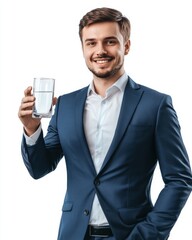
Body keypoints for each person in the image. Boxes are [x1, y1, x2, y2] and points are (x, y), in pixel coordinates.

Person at [18, 7, 192, 240]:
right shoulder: (66, 105)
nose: (100, 50)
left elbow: (179, 180)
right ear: (83, 49)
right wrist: (31, 128)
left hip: (130, 234)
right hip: (73, 234)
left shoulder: (156, 105)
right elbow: (40, 168)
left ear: (126, 46)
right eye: (91, 43)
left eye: (110, 42)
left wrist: (148, 234)